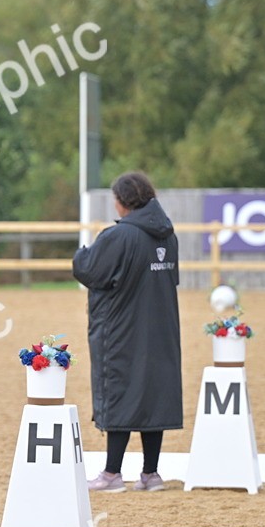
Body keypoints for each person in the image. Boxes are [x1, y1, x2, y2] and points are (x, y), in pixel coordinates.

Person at [73, 171, 182, 492]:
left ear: (122, 202)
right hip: (161, 327)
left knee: (120, 386)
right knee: (154, 392)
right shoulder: (168, 235)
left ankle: (111, 473)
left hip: (123, 328)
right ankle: (151, 474)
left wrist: (80, 254)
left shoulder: (118, 236)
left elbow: (90, 270)